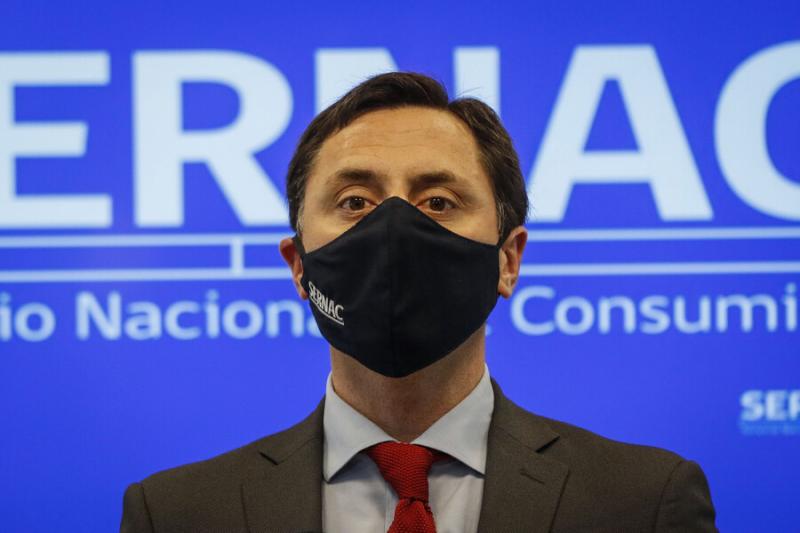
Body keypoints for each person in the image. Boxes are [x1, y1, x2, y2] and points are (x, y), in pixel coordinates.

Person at [120, 72, 717, 533]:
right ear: (299, 265)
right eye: (355, 202)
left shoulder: (643, 502)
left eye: (438, 202)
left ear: (507, 260)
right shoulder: (176, 514)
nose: (394, 229)